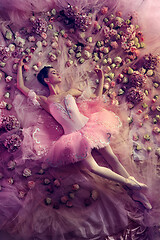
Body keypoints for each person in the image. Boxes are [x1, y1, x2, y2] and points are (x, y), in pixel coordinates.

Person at [17, 57, 152, 210]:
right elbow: (21, 87)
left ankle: (137, 194)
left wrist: (101, 80)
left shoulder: (71, 92)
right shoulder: (45, 100)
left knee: (113, 159)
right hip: (72, 138)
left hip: (90, 127)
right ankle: (130, 183)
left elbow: (95, 99)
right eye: (54, 73)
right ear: (47, 79)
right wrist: (20, 68)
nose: (58, 74)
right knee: (93, 167)